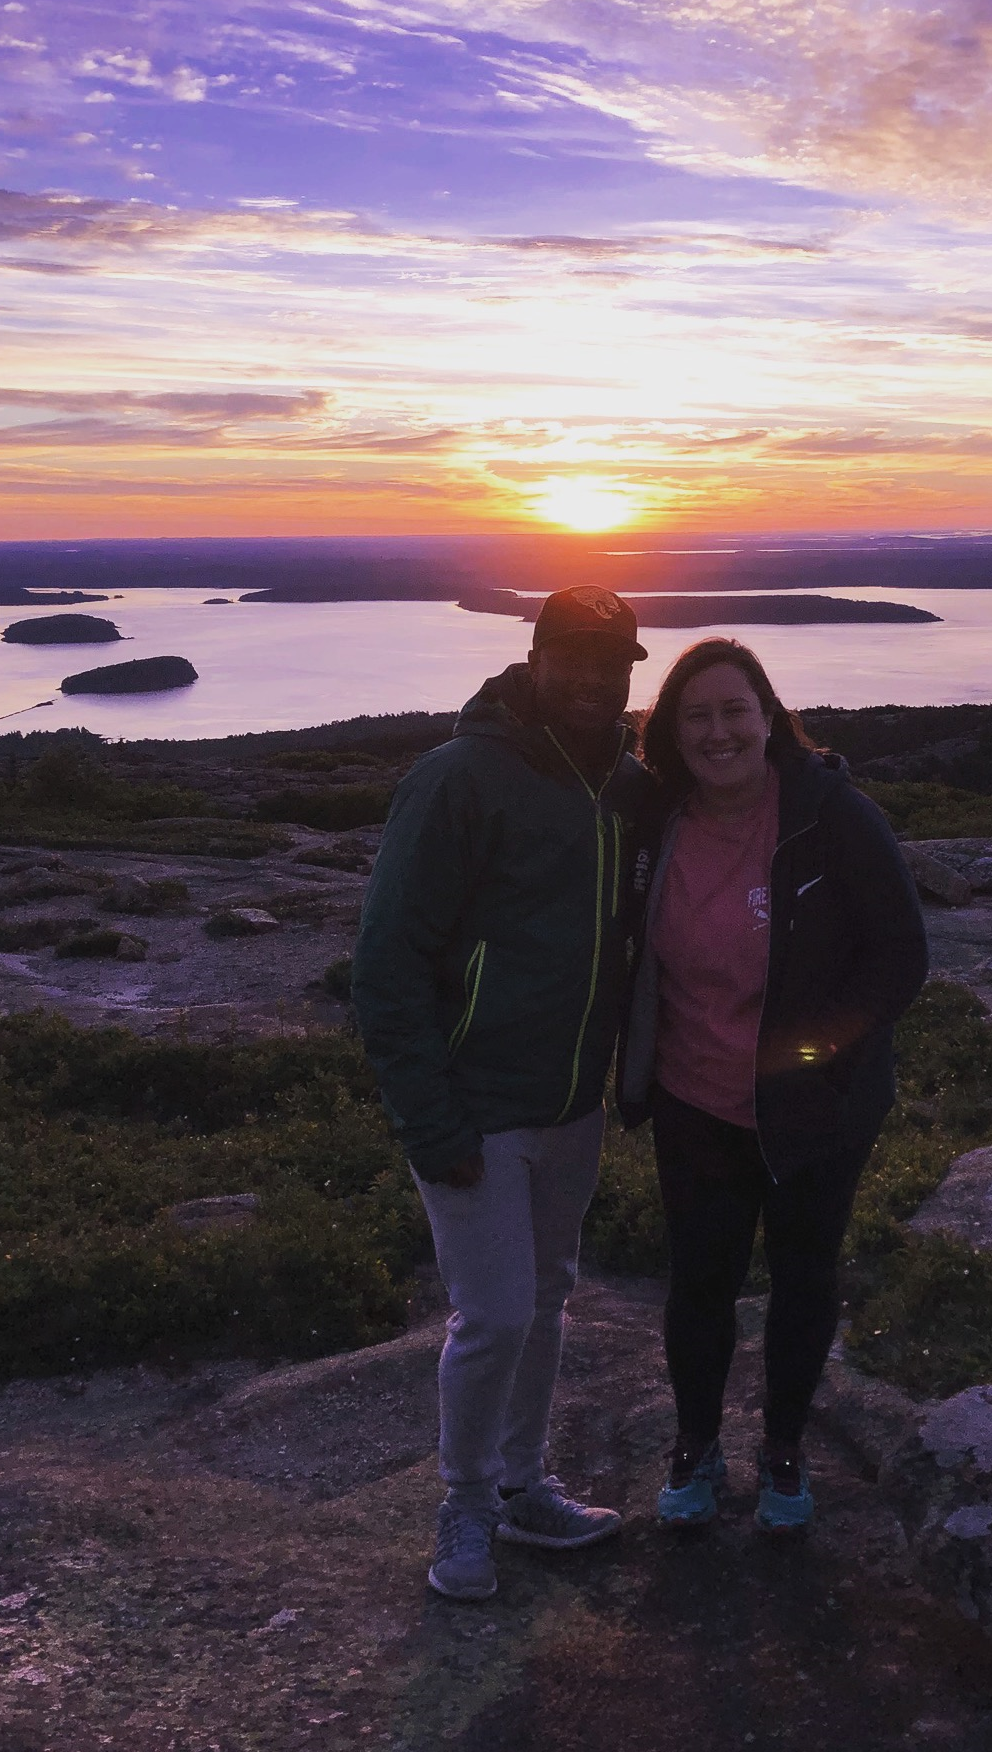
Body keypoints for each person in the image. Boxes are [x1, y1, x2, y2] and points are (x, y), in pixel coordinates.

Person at [351, 585, 652, 1601]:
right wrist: (427, 1117)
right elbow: (388, 962)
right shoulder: (460, 778)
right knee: (496, 1314)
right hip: (477, 1106)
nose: (592, 678)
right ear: (535, 660)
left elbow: (737, 791)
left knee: (548, 1301)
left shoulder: (626, 786)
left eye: (611, 662)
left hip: (572, 1105)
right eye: (572, 658)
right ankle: (467, 1505)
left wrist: (807, 771)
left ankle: (525, 1488)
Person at [617, 638, 928, 1536]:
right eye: (696, 716)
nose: (717, 732)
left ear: (767, 717)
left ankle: (784, 1450)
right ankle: (695, 1445)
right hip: (694, 1099)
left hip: (814, 1104)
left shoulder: (831, 814)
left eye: (733, 711)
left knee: (801, 1276)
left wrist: (815, 1057)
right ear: (671, 732)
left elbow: (901, 955)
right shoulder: (655, 819)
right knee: (701, 1281)